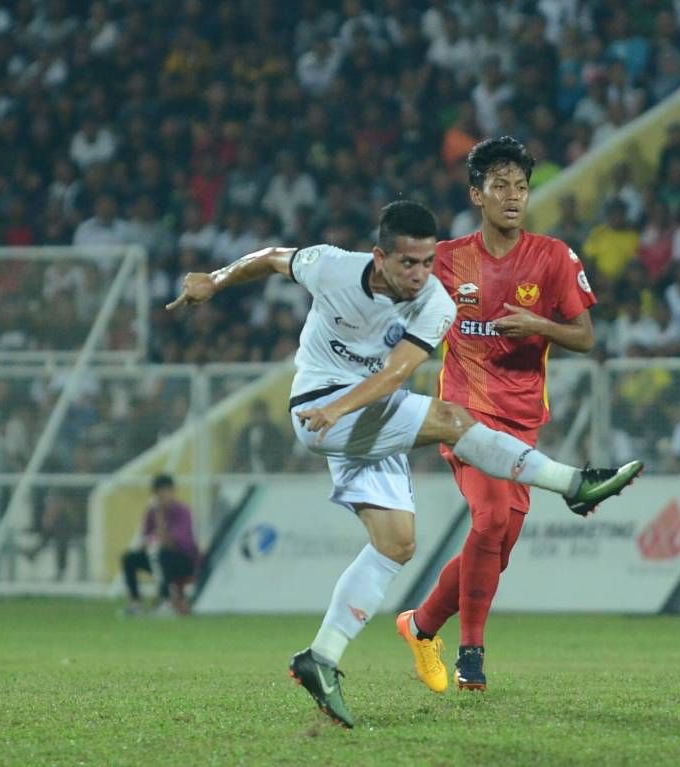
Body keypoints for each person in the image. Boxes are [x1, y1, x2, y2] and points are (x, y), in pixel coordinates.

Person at [166, 199, 642, 729]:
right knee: (449, 418)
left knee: (396, 543)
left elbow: (395, 375)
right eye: (407, 263)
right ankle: (572, 483)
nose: (420, 274)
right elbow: (276, 257)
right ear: (379, 257)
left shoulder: (437, 304)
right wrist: (217, 277)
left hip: (358, 412)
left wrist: (342, 409)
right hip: (319, 407)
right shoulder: (332, 266)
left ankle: (320, 658)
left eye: (426, 262)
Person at [395, 136, 599, 694]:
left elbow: (584, 336)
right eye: (501, 186)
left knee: (501, 540)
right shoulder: (445, 260)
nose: (514, 196)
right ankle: (471, 653)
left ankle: (420, 624)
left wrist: (539, 326)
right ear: (477, 195)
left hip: (523, 420)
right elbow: (399, 300)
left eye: (522, 187)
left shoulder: (554, 257)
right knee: (488, 521)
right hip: (462, 415)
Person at [121, 474, 199, 615]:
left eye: (166, 491)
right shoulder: (151, 513)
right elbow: (147, 538)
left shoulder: (182, 512)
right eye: (159, 492)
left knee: (163, 555)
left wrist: (160, 518)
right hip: (158, 557)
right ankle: (135, 602)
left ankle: (166, 601)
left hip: (183, 561)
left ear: (173, 491)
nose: (163, 496)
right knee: (129, 558)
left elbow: (170, 543)